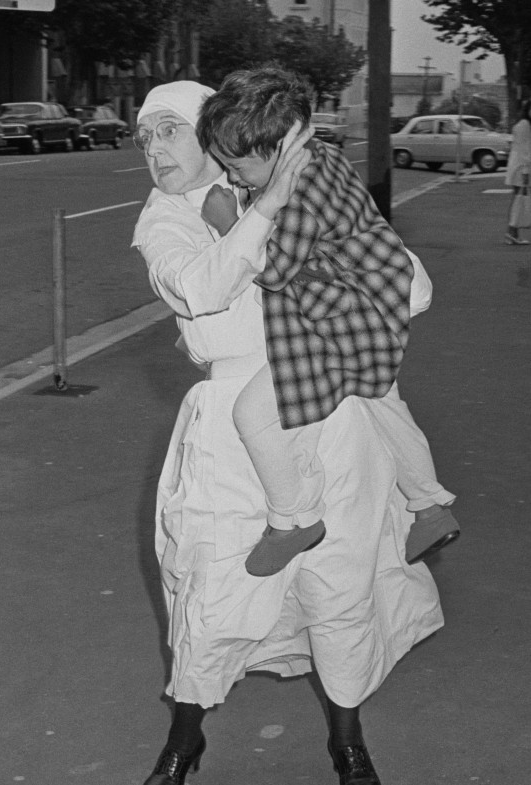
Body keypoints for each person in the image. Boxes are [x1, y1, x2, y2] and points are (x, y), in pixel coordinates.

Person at [131, 80, 444, 785]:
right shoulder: (163, 220)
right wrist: (266, 214)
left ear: (213, 137)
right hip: (231, 434)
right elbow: (198, 287)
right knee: (214, 586)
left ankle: (347, 737)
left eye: (168, 132)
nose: (153, 149)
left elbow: (413, 289)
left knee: (336, 582)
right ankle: (185, 737)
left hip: (331, 414)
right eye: (144, 137)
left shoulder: (296, 180)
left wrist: (339, 248)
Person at [196, 65, 459, 576]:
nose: (230, 176)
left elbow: (272, 269)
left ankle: (294, 517)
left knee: (254, 413)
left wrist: (228, 222)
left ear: (276, 151)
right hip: (367, 304)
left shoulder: (300, 189)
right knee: (382, 399)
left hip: (344, 318)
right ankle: (429, 506)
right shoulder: (322, 158)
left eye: (237, 166)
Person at [505, 100, 531, 245]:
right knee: (519, 201)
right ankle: (512, 232)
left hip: (517, 167)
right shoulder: (525, 126)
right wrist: (526, 172)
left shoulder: (522, 124)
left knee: (518, 200)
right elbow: (525, 150)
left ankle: (512, 233)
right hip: (521, 169)